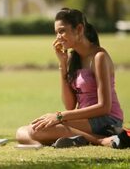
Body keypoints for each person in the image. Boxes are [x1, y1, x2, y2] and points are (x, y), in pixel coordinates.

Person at [16, 8, 130, 149]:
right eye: (56, 32)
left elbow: (104, 107)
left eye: (62, 31)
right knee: (21, 132)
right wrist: (63, 65)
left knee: (35, 131)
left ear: (79, 29)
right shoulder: (72, 59)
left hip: (107, 120)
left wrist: (59, 117)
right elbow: (70, 105)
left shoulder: (99, 57)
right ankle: (84, 139)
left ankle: (101, 140)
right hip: (84, 119)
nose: (58, 37)